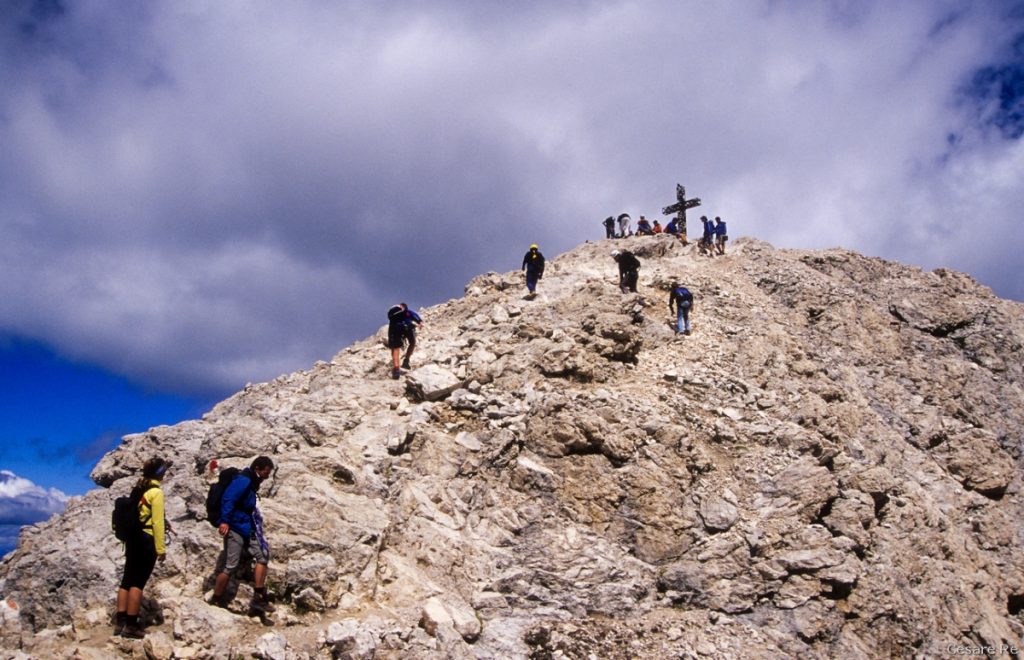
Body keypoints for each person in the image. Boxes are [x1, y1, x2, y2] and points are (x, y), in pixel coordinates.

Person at [210, 456, 276, 616]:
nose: (268, 476)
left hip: (246, 526)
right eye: (266, 472)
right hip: (234, 527)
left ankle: (259, 596)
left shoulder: (252, 482)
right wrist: (224, 521)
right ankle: (216, 599)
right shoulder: (244, 481)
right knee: (231, 565)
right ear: (258, 469)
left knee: (262, 557)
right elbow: (228, 499)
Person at [114, 457, 169, 639]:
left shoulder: (138, 489)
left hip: (132, 538)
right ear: (160, 473)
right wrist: (161, 549)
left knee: (127, 580)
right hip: (147, 539)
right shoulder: (156, 493)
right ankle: (132, 625)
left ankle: (120, 621)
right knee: (138, 582)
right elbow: (157, 522)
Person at [387, 303, 423, 379]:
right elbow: (415, 316)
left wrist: (419, 322)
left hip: (403, 328)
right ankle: (399, 366)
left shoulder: (397, 315)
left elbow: (415, 316)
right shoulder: (404, 313)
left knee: (397, 347)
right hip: (399, 328)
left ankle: (400, 365)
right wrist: (419, 322)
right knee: (398, 346)